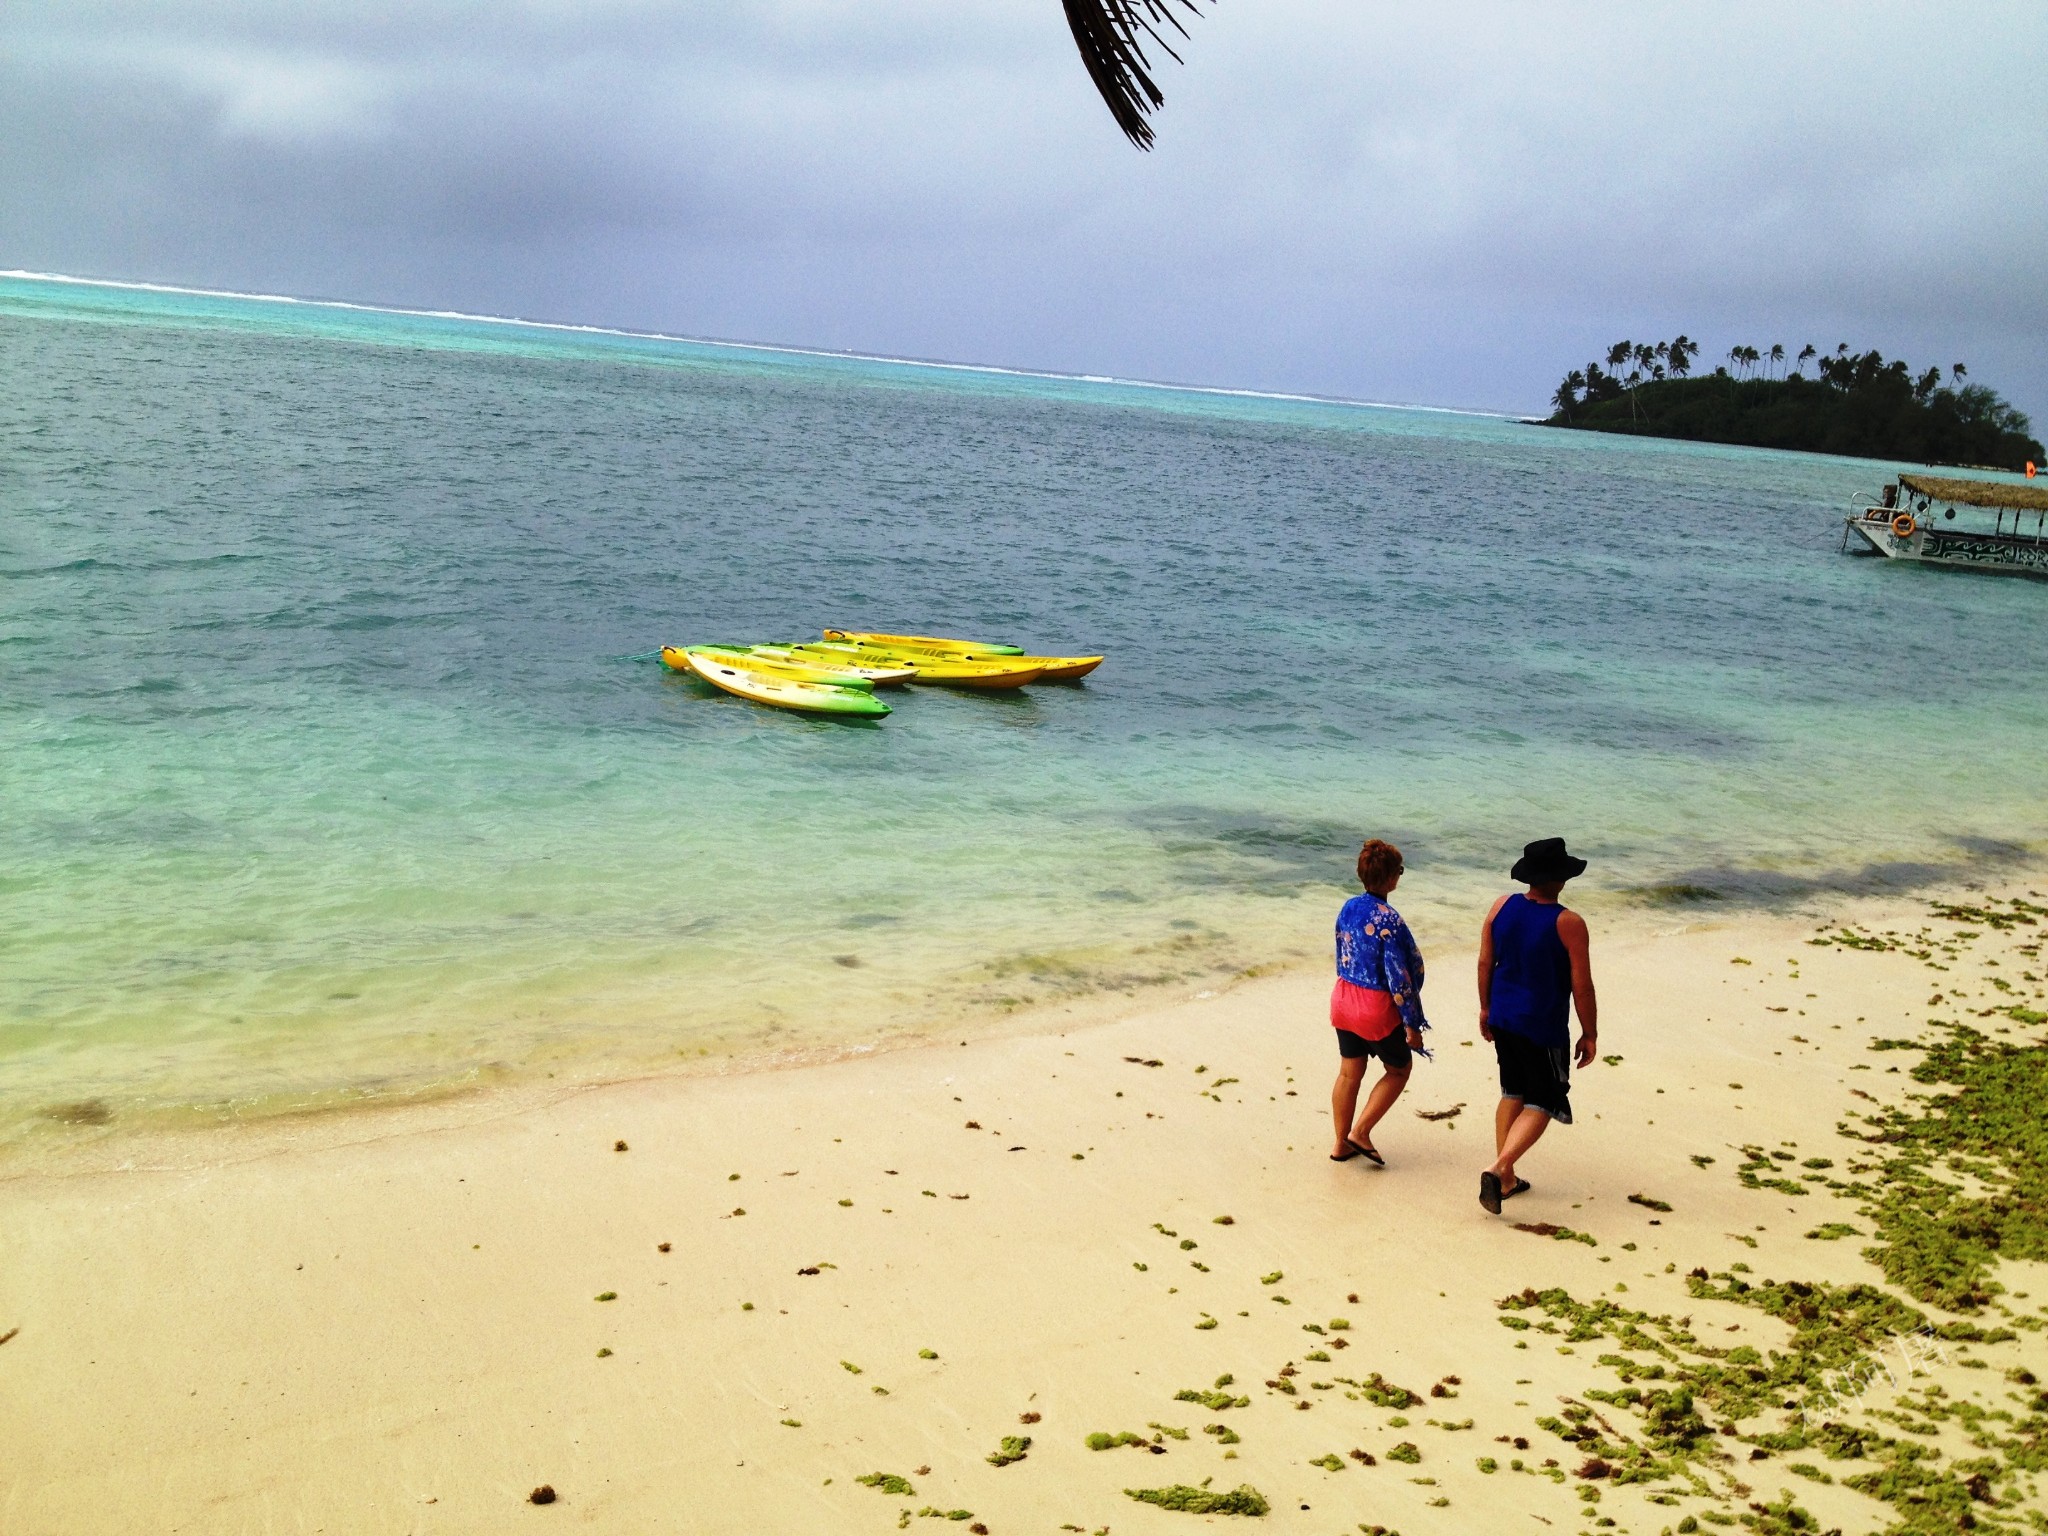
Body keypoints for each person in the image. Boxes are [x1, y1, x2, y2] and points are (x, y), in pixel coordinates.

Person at [1477, 837, 1598, 1212]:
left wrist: (1484, 1008)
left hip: (1503, 1014)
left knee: (1512, 1092)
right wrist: (1589, 1032)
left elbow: (1485, 962)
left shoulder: (1501, 906)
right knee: (1544, 1100)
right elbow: (1582, 984)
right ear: (1561, 878)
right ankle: (1498, 1169)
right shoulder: (1569, 923)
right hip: (1541, 1024)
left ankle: (1507, 1178)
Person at [1329, 838, 1428, 1165]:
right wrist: (1413, 1023)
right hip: (1375, 1008)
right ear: (1390, 880)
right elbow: (1402, 975)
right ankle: (1361, 1131)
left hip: (1343, 998)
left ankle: (1341, 1144)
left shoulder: (1347, 907)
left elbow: (1343, 951)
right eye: (1399, 871)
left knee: (1349, 1073)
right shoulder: (1390, 920)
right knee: (1399, 1070)